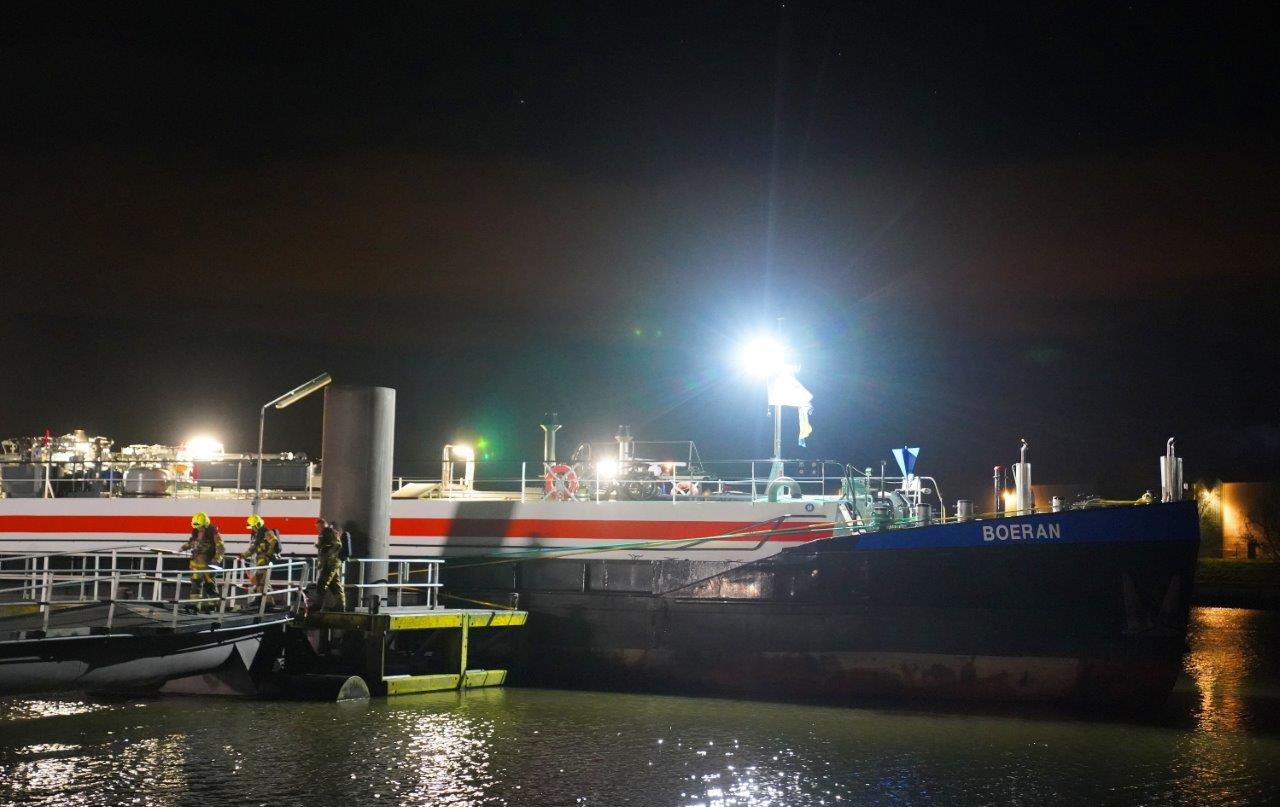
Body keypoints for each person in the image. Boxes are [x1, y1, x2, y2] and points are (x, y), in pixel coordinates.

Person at [181, 512, 225, 610]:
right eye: (197, 526)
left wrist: (216, 561)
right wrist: (183, 548)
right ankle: (194, 605)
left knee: (209, 584)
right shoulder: (196, 532)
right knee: (195, 583)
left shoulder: (214, 534)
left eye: (200, 526)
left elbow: (221, 548)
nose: (198, 528)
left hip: (208, 563)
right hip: (196, 563)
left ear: (205, 524)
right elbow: (192, 543)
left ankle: (213, 605)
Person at [239, 514, 281, 608]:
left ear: (257, 525)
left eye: (253, 526)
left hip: (266, 563)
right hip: (260, 563)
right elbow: (253, 548)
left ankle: (269, 603)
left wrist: (268, 555)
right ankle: (259, 600)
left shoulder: (267, 532)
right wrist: (243, 555)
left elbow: (274, 542)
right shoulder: (258, 535)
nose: (252, 529)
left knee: (264, 582)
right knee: (258, 582)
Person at [314, 518, 345, 611]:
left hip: (330, 562)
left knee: (322, 583)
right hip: (331, 562)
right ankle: (340, 605)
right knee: (335, 584)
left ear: (323, 524)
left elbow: (336, 545)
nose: (318, 529)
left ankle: (318, 605)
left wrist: (323, 550)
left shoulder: (328, 532)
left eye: (318, 527)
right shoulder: (328, 533)